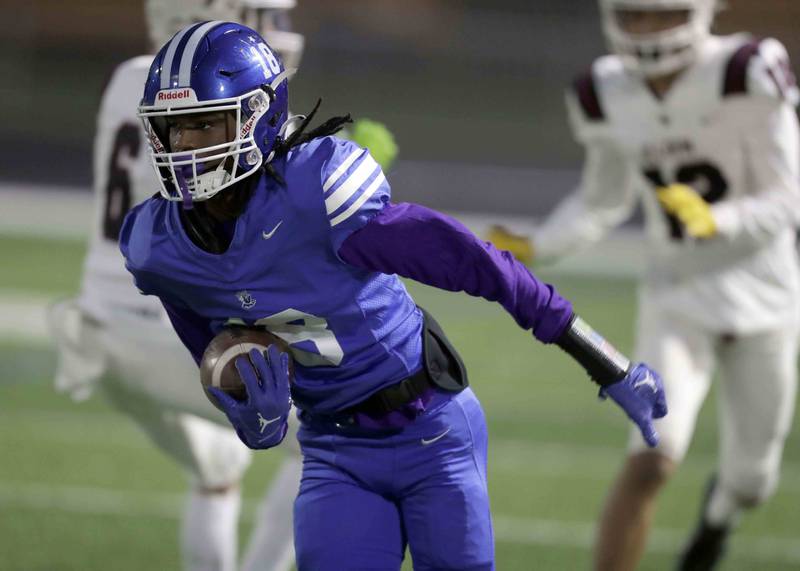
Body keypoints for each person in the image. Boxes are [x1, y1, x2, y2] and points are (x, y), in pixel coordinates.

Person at [120, 20, 667, 571]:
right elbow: (217, 360)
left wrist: (607, 362)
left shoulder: (318, 195)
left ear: (258, 115)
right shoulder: (159, 249)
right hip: (336, 449)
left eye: (205, 123)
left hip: (434, 427)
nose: (185, 143)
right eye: (174, 127)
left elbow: (483, 266)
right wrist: (252, 420)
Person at [47, 2, 391, 570]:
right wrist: (355, 169)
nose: (275, 32)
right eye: (262, 14)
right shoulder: (203, 106)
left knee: (218, 476)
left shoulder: (131, 79)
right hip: (167, 335)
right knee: (342, 434)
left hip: (99, 330)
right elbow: (262, 194)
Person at [488, 1, 800, 569]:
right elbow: (603, 200)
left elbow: (787, 196)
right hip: (676, 294)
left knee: (753, 479)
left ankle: (719, 516)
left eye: (663, 14)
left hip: (766, 295)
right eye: (635, 15)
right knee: (652, 453)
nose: (648, 30)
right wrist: (540, 245)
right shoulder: (604, 90)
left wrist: (718, 219)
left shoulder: (746, 69)